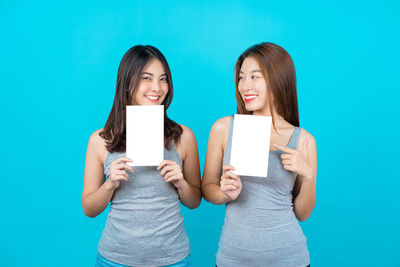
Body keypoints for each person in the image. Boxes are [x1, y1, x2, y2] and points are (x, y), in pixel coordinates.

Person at [82, 45, 201, 267]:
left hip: (173, 259)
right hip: (115, 259)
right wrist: (110, 185)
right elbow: (89, 209)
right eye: (146, 78)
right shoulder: (100, 140)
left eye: (163, 79)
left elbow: (194, 201)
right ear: (127, 83)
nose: (157, 87)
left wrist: (181, 183)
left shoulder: (183, 137)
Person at [201, 42, 317, 267]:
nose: (245, 86)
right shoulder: (224, 129)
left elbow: (303, 214)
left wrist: (309, 175)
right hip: (233, 259)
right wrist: (225, 192)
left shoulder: (304, 141)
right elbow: (208, 189)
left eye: (255, 76)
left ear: (279, 79)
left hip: (290, 258)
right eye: (241, 77)